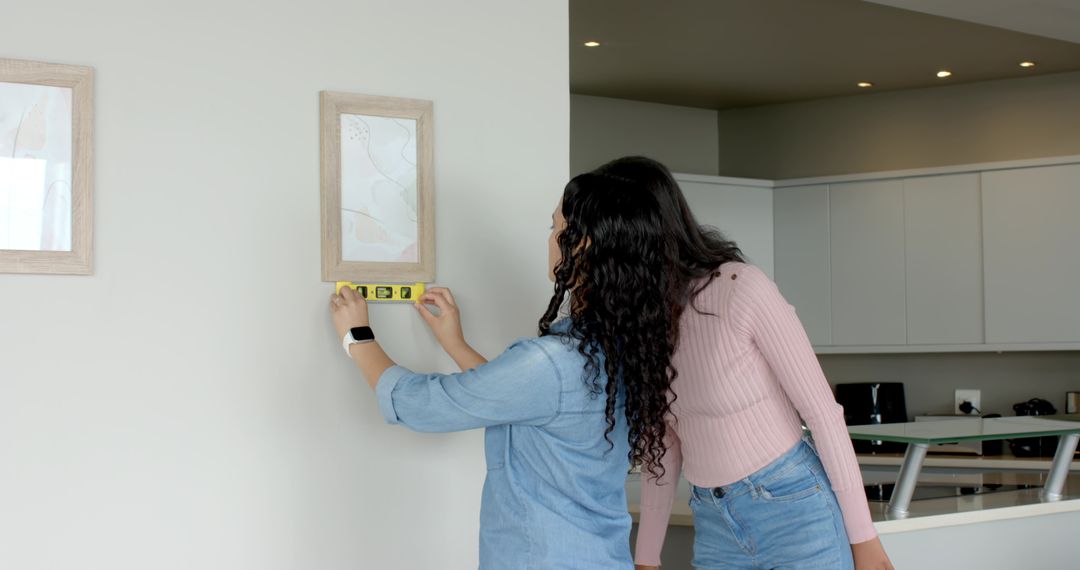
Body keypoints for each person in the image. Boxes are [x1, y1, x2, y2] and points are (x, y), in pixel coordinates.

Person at [328, 166, 685, 569]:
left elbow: (425, 405)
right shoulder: (620, 350)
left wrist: (358, 338)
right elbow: (525, 402)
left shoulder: (553, 364)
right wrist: (456, 344)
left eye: (554, 227)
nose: (549, 238)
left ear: (581, 244)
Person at [597, 157, 896, 570]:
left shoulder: (741, 289)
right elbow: (664, 445)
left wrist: (864, 539)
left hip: (795, 509)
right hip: (714, 521)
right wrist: (647, 557)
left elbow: (823, 413)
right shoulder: (641, 323)